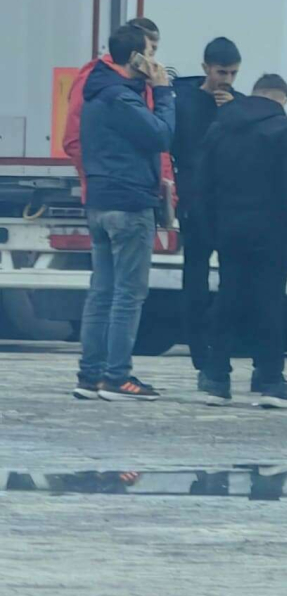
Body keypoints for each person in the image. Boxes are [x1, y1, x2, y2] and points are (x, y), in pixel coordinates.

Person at [72, 24, 175, 402]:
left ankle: (90, 375)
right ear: (136, 58)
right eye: (151, 51)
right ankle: (117, 377)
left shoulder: (96, 90)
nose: (155, 60)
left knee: (102, 292)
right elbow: (162, 135)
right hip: (129, 203)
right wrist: (163, 92)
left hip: (99, 201)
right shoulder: (122, 98)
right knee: (128, 295)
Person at [197, 74, 287, 407]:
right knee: (269, 302)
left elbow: (204, 184)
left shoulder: (220, 127)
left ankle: (217, 378)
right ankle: (270, 379)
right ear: (281, 99)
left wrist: (212, 228)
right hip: (272, 232)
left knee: (228, 297)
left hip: (229, 228)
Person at [171, 36, 242, 390]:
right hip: (195, 202)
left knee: (232, 281)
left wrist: (232, 112)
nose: (226, 80)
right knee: (195, 280)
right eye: (220, 72)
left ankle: (222, 345)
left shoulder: (239, 105)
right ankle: (198, 348)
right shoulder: (185, 102)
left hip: (229, 204)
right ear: (206, 69)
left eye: (232, 73)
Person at [63, 17, 173, 206]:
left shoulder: (140, 84)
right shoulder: (97, 80)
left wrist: (167, 188)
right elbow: (74, 139)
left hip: (141, 193)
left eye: (154, 51)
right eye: (149, 51)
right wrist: (100, 179)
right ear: (134, 53)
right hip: (119, 194)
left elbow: (157, 146)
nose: (153, 61)